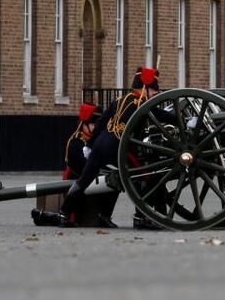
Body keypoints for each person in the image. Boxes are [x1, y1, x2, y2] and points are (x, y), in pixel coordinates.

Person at [58, 67, 164, 228]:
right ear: (145, 88)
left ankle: (63, 213)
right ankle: (141, 217)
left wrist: (90, 145)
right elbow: (159, 115)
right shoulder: (140, 103)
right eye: (153, 90)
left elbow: (101, 123)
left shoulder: (119, 100)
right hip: (117, 148)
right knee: (141, 177)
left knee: (83, 181)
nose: (155, 93)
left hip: (100, 145)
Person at [32, 103, 118, 227]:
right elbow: (79, 166)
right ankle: (65, 215)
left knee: (114, 181)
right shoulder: (76, 141)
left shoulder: (99, 141)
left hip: (94, 177)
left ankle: (104, 216)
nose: (97, 128)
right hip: (76, 177)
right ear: (84, 125)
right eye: (94, 125)